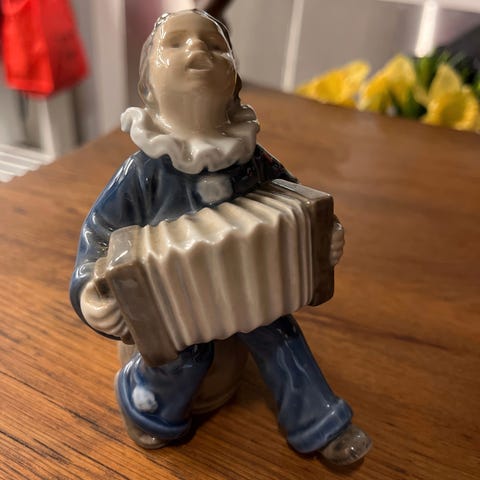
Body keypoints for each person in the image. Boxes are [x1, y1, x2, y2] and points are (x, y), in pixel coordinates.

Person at [70, 9, 371, 466]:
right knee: (184, 357)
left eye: (215, 45)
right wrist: (92, 290)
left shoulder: (250, 159)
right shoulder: (143, 172)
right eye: (176, 42)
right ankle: (146, 406)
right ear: (148, 85)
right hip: (169, 305)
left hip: (248, 293)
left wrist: (323, 239)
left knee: (281, 334)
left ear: (234, 81)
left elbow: (300, 206)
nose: (197, 49)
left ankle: (319, 422)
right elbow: (97, 234)